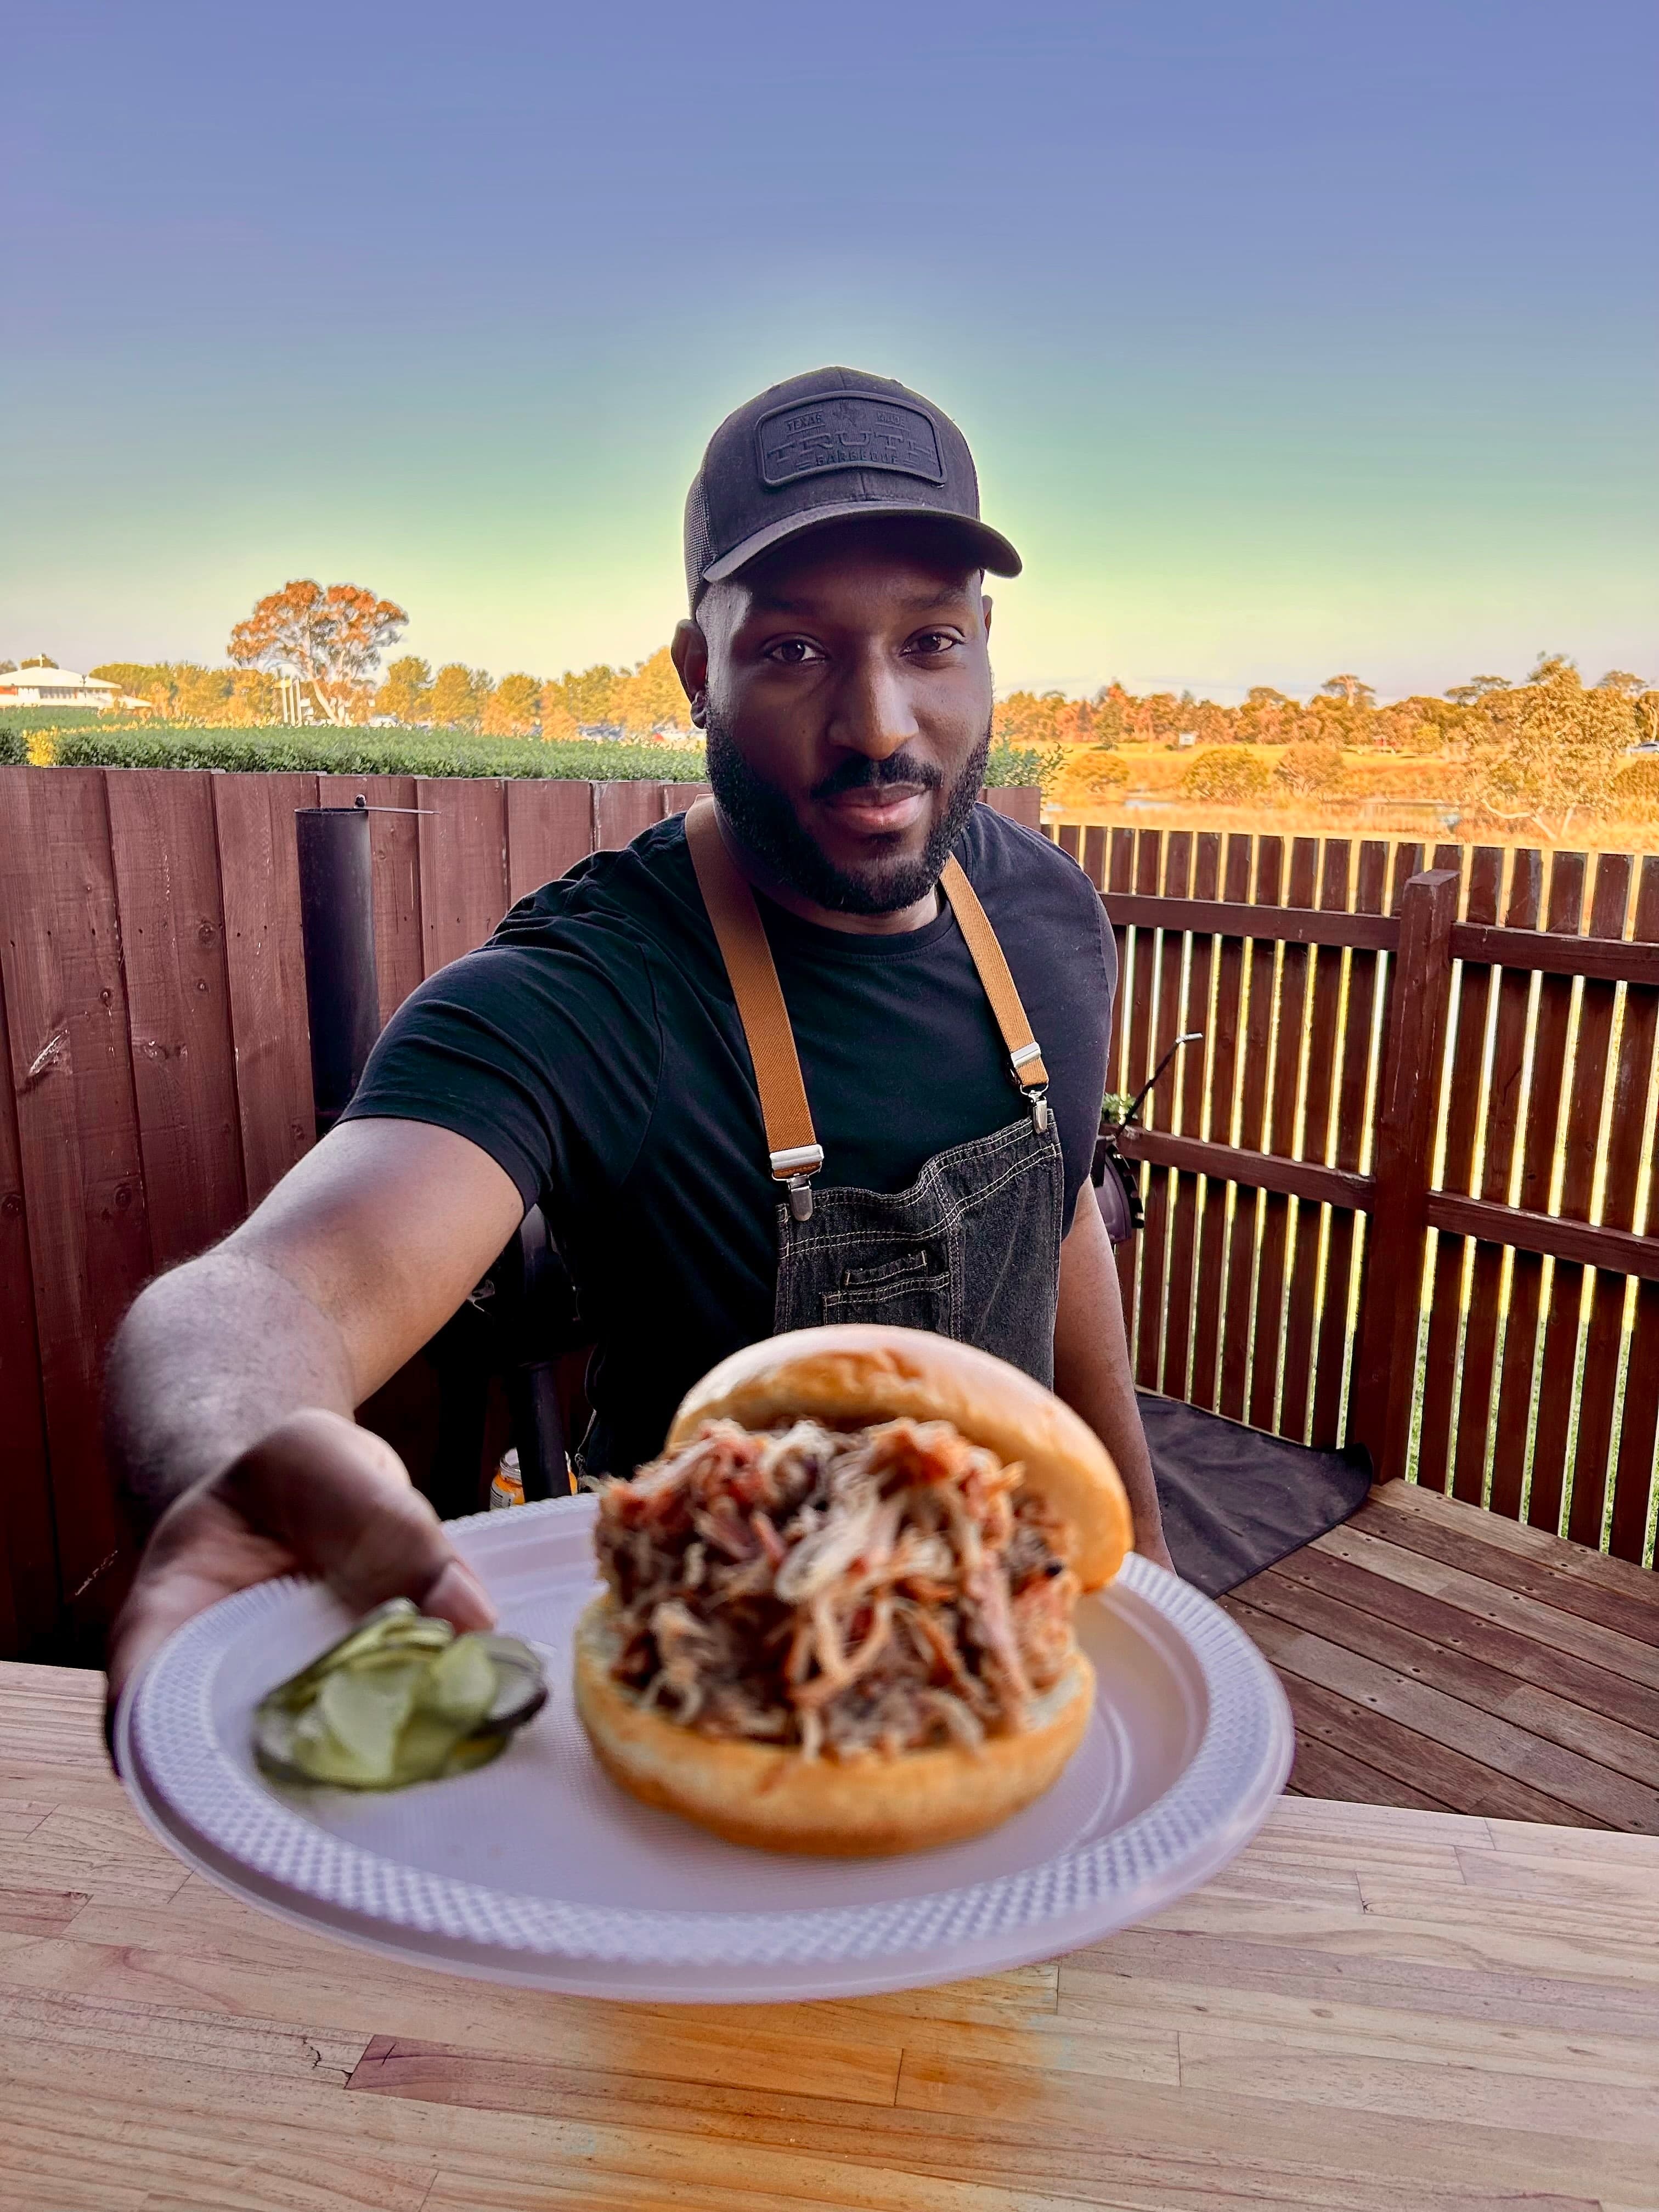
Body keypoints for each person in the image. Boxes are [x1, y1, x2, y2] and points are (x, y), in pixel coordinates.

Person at [105, 366, 1172, 1723]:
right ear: (697, 673)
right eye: (793, 651)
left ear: (985, 645)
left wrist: (1145, 1550)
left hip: (999, 1655)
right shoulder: (588, 988)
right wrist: (230, 1457)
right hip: (709, 1690)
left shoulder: (1050, 918)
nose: (878, 726)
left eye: (929, 642)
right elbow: (275, 1295)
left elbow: (1060, 1208)